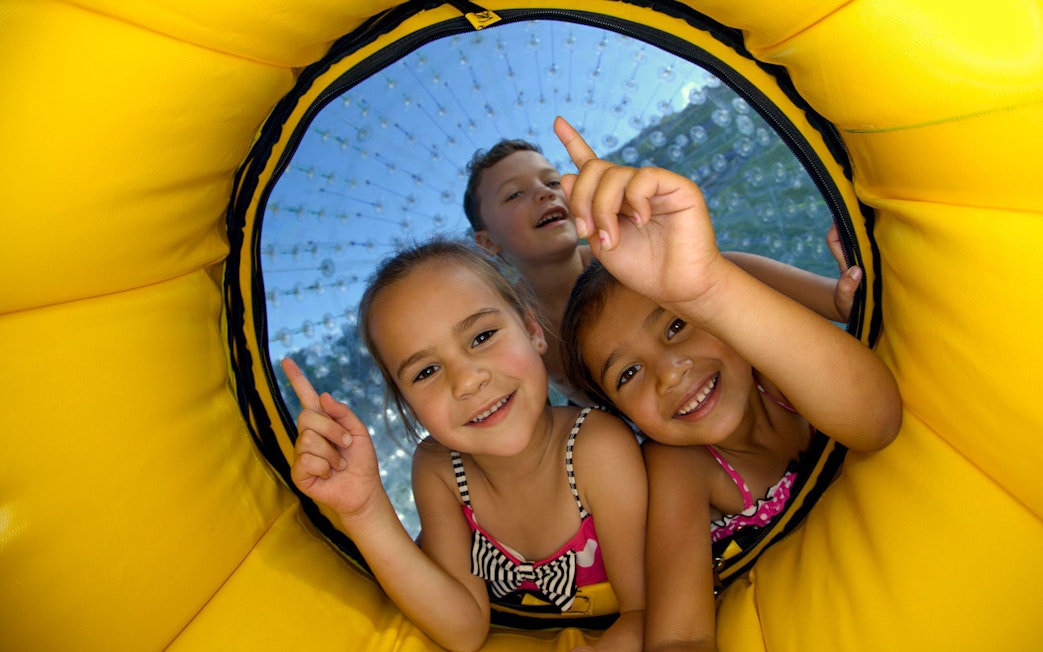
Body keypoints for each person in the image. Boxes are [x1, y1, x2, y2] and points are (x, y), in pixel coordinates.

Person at [553, 116, 902, 652]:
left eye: (676, 324)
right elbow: (681, 636)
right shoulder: (680, 467)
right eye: (627, 375)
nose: (670, 372)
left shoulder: (781, 369)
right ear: (621, 415)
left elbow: (877, 421)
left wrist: (707, 286)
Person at [284, 239, 647, 652]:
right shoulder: (440, 469)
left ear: (532, 330)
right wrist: (365, 510)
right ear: (409, 405)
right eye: (427, 371)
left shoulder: (597, 447)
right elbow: (464, 631)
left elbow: (645, 610)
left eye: (482, 336)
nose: (467, 380)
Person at [462, 139, 863, 404]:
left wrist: (835, 298)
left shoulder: (618, 256)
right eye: (515, 194)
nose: (544, 192)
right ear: (487, 243)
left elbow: (722, 274)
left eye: (552, 180)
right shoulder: (510, 330)